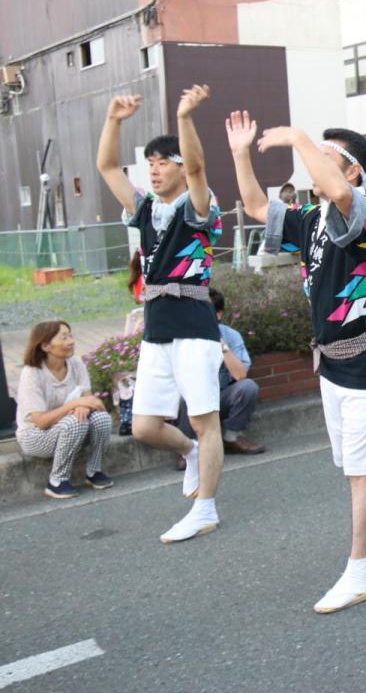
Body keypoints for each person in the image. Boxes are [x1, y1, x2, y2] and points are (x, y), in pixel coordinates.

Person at [225, 110, 366, 613]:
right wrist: (241, 153)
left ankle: (358, 572)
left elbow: (338, 193)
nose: (312, 167)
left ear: (352, 172)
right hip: (330, 359)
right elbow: (251, 204)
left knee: (358, 469)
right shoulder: (310, 220)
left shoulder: (362, 214)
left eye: (326, 159)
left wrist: (300, 137)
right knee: (356, 460)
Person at [95, 86, 225, 544]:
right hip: (157, 330)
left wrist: (185, 117)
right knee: (145, 426)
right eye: (149, 162)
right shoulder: (145, 209)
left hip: (194, 325)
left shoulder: (198, 207)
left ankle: (205, 508)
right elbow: (107, 167)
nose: (153, 168)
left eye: (162, 161)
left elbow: (197, 168)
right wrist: (113, 120)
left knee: (205, 420)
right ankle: (190, 454)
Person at [16, 321, 113, 499]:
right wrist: (74, 405)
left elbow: (91, 400)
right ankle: (57, 482)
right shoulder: (32, 373)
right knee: (76, 422)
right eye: (64, 337)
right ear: (45, 346)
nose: (71, 341)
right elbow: (40, 422)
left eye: (70, 335)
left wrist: (83, 405)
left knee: (101, 418)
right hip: (35, 435)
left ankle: (94, 471)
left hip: (70, 427)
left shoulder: (75, 363)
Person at [173, 288, 265, 461]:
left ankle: (231, 438)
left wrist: (221, 345)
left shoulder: (231, 335)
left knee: (248, 388)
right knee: (182, 396)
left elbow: (240, 375)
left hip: (220, 396)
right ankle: (187, 448)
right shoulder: (182, 339)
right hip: (193, 397)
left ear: (218, 314)